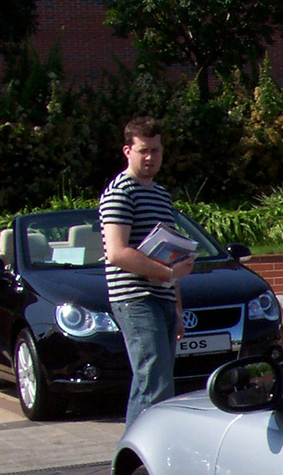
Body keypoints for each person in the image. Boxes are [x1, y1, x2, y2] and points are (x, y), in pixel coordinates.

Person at [101, 116, 193, 426]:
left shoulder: (160, 194)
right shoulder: (120, 192)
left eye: (155, 150)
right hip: (135, 298)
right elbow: (116, 252)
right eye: (143, 151)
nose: (150, 157)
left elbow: (168, 253)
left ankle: (144, 451)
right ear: (127, 150)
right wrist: (166, 274)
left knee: (159, 379)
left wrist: (177, 303)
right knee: (153, 380)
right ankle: (139, 456)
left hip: (163, 297)